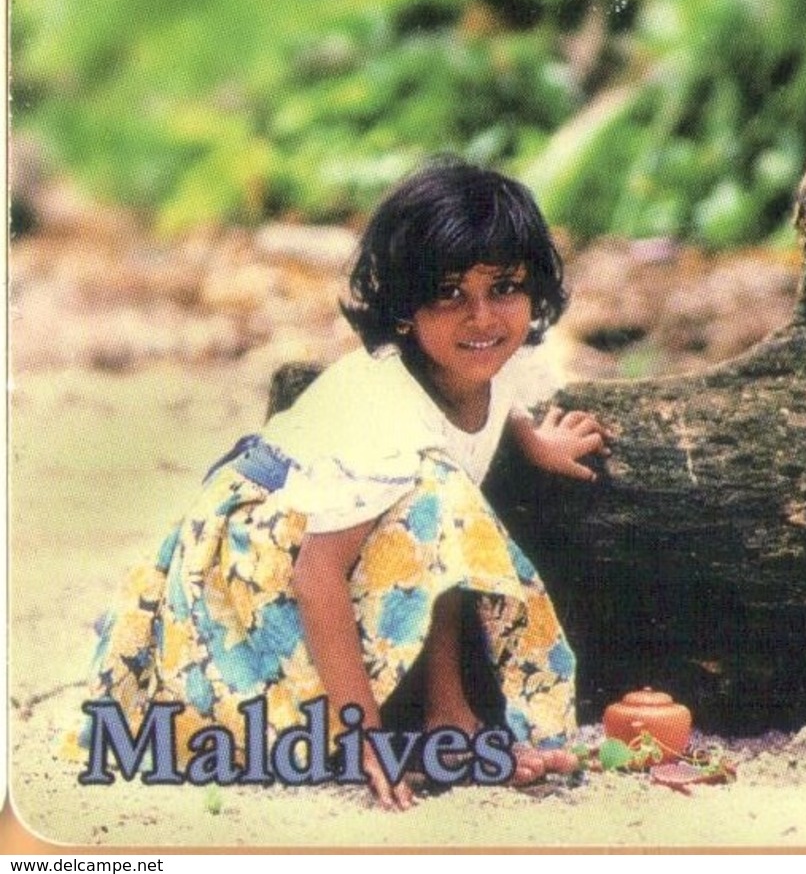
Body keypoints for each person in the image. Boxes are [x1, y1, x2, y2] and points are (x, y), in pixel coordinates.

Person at [81, 156, 609, 809]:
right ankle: (410, 725)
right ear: (405, 308)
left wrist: (536, 443)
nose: (481, 317)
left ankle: (453, 717)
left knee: (440, 498)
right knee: (437, 496)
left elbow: (495, 400)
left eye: (502, 288)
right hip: (247, 573)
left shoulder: (470, 369)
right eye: (449, 293)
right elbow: (317, 574)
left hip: (329, 531)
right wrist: (365, 738)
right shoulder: (387, 412)